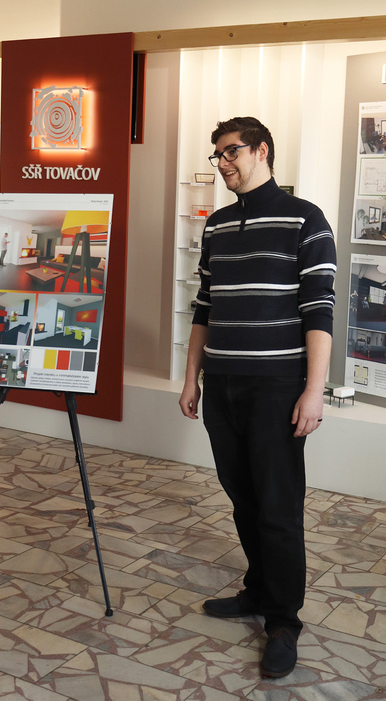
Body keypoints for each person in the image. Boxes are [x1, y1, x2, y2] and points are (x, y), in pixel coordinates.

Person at [179, 117, 336, 678]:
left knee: (277, 506)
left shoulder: (305, 219)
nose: (223, 162)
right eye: (218, 155)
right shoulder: (218, 225)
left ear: (262, 150)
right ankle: (258, 588)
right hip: (222, 384)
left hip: (276, 387)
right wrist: (192, 377)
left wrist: (313, 391)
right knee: (243, 497)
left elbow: (319, 310)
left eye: (232, 152)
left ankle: (284, 621)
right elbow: (204, 306)